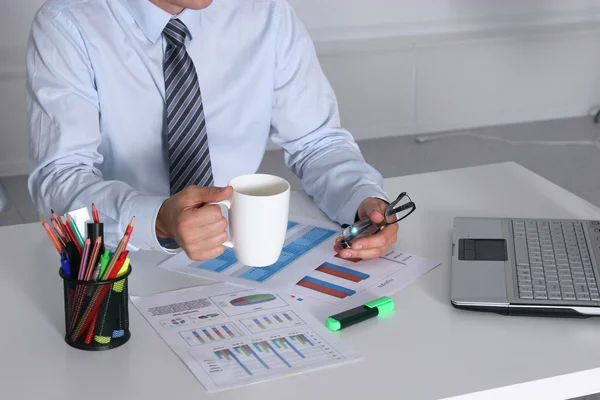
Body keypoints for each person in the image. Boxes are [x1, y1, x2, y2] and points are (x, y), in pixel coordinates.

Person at [26, 0, 398, 262]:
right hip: (117, 262)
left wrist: (362, 199)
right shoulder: (68, 23)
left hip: (239, 260)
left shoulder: (268, 14)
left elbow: (317, 143)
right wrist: (157, 219)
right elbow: (58, 181)